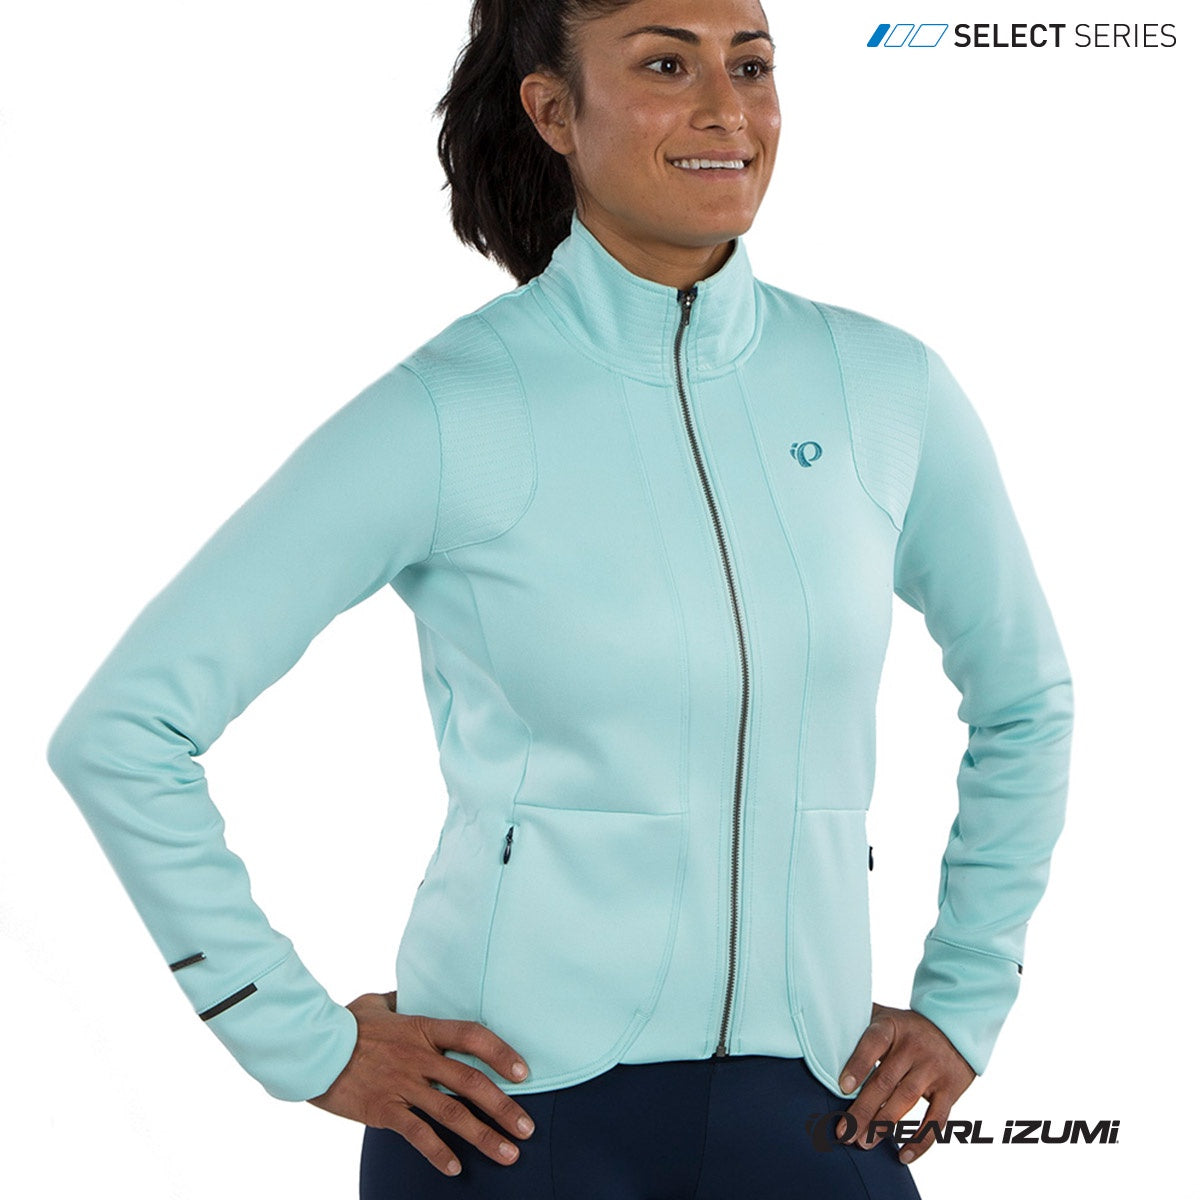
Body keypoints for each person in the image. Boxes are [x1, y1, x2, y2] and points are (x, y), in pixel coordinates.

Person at [45, 0, 1074, 1196]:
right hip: (508, 1123)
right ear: (551, 111)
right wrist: (298, 1040)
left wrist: (964, 1000)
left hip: (811, 1102)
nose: (726, 109)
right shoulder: (452, 407)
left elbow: (1026, 699)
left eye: (750, 66)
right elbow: (125, 730)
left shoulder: (884, 390)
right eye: (666, 64)